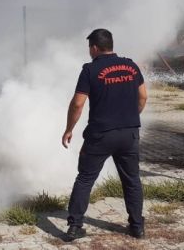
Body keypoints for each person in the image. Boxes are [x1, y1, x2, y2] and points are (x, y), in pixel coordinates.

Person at [62, 28, 147, 241]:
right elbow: (143, 97)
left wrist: (69, 129)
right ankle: (137, 227)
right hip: (129, 134)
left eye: (89, 48)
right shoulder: (131, 66)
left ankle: (74, 227)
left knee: (85, 179)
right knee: (132, 180)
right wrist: (129, 118)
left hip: (100, 135)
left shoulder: (90, 70)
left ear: (94, 48)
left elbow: (78, 104)